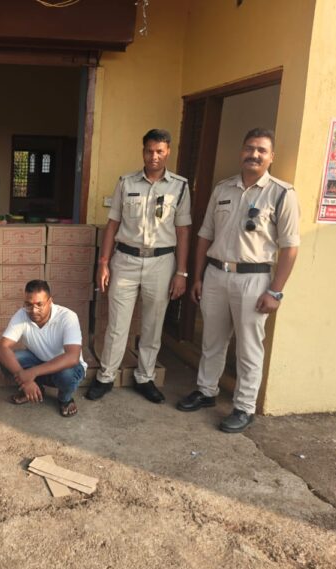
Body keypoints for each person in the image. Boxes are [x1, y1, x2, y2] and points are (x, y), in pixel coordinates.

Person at [177, 128, 300, 433]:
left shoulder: (282, 193)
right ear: (241, 151)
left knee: (248, 348)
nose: (254, 154)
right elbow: (205, 235)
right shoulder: (223, 189)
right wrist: (198, 276)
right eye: (249, 148)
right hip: (216, 275)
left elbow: (290, 248)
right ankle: (206, 391)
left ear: (271, 157)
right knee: (212, 340)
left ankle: (244, 407)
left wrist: (275, 291)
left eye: (261, 150)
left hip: (254, 280)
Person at [87, 129, 191, 404]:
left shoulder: (180, 186)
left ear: (168, 152)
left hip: (161, 262)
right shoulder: (126, 182)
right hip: (126, 260)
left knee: (153, 325)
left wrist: (181, 272)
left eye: (159, 151)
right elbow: (113, 225)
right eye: (149, 151)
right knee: (117, 325)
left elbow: (183, 231)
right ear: (143, 151)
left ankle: (145, 377)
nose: (154, 156)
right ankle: (106, 376)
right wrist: (103, 263)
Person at [0, 280, 86, 418]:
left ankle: (65, 399)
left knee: (67, 375)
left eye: (39, 304)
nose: (33, 310)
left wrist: (31, 373)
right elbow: (2, 348)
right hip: (38, 361)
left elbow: (72, 357)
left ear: (50, 301)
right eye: (28, 304)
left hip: (65, 368)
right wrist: (26, 379)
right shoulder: (22, 315)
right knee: (6, 361)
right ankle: (35, 389)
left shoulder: (68, 317)